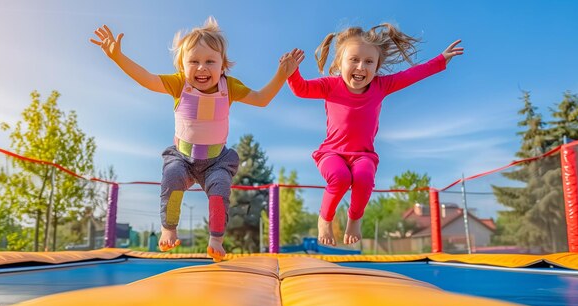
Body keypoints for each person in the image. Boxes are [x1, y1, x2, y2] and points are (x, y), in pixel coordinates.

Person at [91, 17, 303, 261]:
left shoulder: (228, 87)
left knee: (220, 188)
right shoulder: (179, 84)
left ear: (223, 66)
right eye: (194, 61)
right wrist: (118, 57)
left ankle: (216, 240)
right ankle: (169, 228)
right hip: (182, 156)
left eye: (210, 62)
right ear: (182, 66)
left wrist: (281, 74)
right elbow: (147, 79)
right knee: (172, 178)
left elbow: (261, 98)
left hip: (216, 160)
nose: (202, 68)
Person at [287, 23, 463, 246]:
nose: (361, 67)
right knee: (340, 178)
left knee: (364, 178)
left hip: (363, 155)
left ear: (377, 66)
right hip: (332, 153)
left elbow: (412, 74)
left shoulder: (381, 86)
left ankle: (354, 220)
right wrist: (292, 72)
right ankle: (325, 219)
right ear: (339, 63)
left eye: (369, 62)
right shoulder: (330, 85)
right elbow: (301, 89)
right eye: (354, 60)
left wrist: (440, 60)